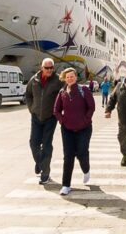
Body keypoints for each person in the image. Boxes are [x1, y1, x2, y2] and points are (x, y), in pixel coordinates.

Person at [53, 67, 95, 196]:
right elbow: (56, 110)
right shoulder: (62, 92)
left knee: (82, 153)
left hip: (84, 128)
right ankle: (66, 185)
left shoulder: (84, 90)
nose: (70, 78)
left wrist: (85, 120)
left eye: (72, 76)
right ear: (64, 78)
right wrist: (62, 121)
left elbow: (91, 107)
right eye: (67, 77)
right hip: (67, 130)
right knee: (68, 156)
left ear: (76, 77)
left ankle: (86, 170)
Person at [25, 57, 63, 185]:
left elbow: (65, 95)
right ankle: (40, 162)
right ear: (42, 68)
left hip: (50, 118)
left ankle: (45, 173)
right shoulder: (34, 80)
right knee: (33, 143)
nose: (49, 70)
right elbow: (28, 95)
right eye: (47, 68)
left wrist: (58, 111)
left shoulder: (58, 80)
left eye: (51, 67)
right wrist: (31, 109)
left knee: (46, 145)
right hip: (36, 116)